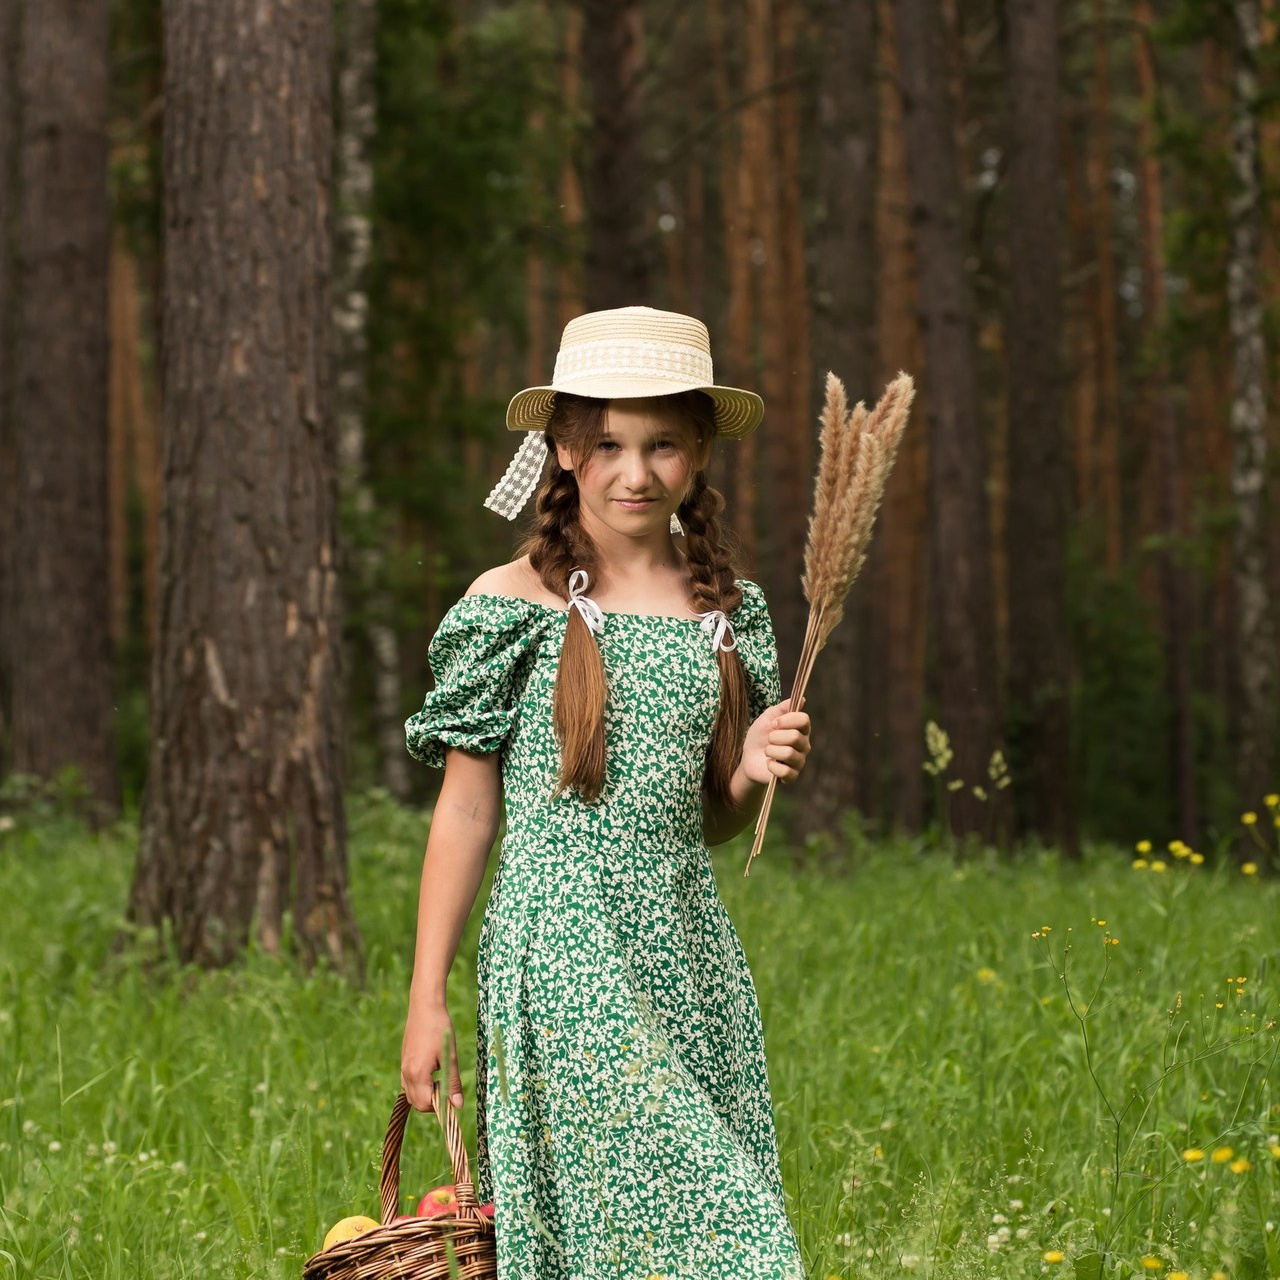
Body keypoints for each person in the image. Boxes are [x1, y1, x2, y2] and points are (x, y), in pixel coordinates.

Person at [400, 306, 813, 1280]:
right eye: (609, 444)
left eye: (662, 444)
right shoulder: (510, 604)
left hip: (684, 947)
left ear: (699, 450)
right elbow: (466, 809)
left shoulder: (726, 610)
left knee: (649, 1230)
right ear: (563, 449)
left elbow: (705, 821)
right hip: (560, 947)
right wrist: (426, 996)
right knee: (727, 1226)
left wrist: (747, 769)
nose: (636, 473)